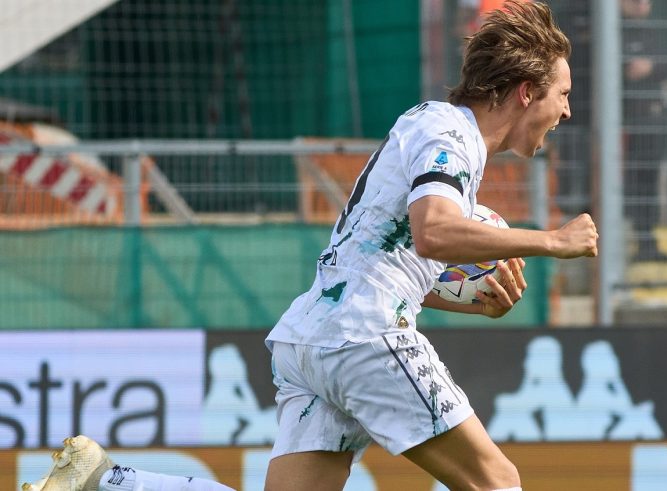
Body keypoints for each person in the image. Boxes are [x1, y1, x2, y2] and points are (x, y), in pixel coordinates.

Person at [23, 2, 597, 490]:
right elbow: (435, 233)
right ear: (527, 92)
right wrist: (553, 240)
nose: (567, 110)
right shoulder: (450, 134)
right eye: (564, 94)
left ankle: (109, 480)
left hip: (315, 339)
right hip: (364, 338)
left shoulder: (435, 131)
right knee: (497, 482)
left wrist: (473, 302)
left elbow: (385, 258)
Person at [622, 0, 667, 262]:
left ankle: (647, 243)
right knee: (626, 183)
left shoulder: (653, 31)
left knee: (647, 183)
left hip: (651, 122)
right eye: (636, 1)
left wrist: (651, 68)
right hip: (623, 124)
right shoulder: (611, 30)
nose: (642, 5)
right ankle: (625, 244)